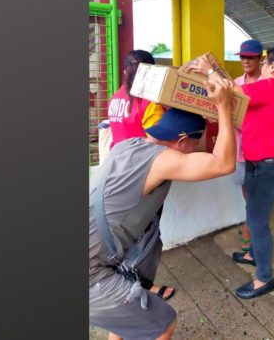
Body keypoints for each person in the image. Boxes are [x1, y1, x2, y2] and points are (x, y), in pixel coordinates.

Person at [89, 77, 236, 340]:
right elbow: (223, 163)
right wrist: (223, 107)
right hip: (91, 273)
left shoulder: (126, 145)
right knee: (163, 324)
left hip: (96, 256)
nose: (199, 146)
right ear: (182, 140)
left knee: (125, 320)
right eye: (198, 140)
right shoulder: (164, 160)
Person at [190, 46, 274, 299]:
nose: (260, 67)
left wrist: (208, 71)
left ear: (272, 66)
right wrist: (214, 72)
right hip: (262, 164)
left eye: (263, 63)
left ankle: (264, 278)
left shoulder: (273, 86)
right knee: (253, 214)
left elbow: (229, 90)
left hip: (269, 168)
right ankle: (253, 254)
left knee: (258, 223)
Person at [105, 49, 174, 306]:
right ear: (152, 73)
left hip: (117, 174)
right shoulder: (149, 102)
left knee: (128, 234)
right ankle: (142, 285)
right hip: (145, 176)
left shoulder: (116, 98)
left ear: (125, 70)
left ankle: (125, 281)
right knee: (147, 235)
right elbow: (161, 139)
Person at [233, 39, 263, 258]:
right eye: (242, 57)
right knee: (247, 193)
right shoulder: (236, 82)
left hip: (261, 148)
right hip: (240, 149)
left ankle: (250, 233)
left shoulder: (267, 83)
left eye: (250, 57)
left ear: (260, 59)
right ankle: (251, 227)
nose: (245, 60)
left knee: (257, 196)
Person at [107, 50, 165, 148]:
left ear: (125, 71)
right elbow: (158, 140)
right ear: (153, 72)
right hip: (140, 160)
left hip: (116, 158)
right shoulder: (149, 100)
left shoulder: (114, 98)